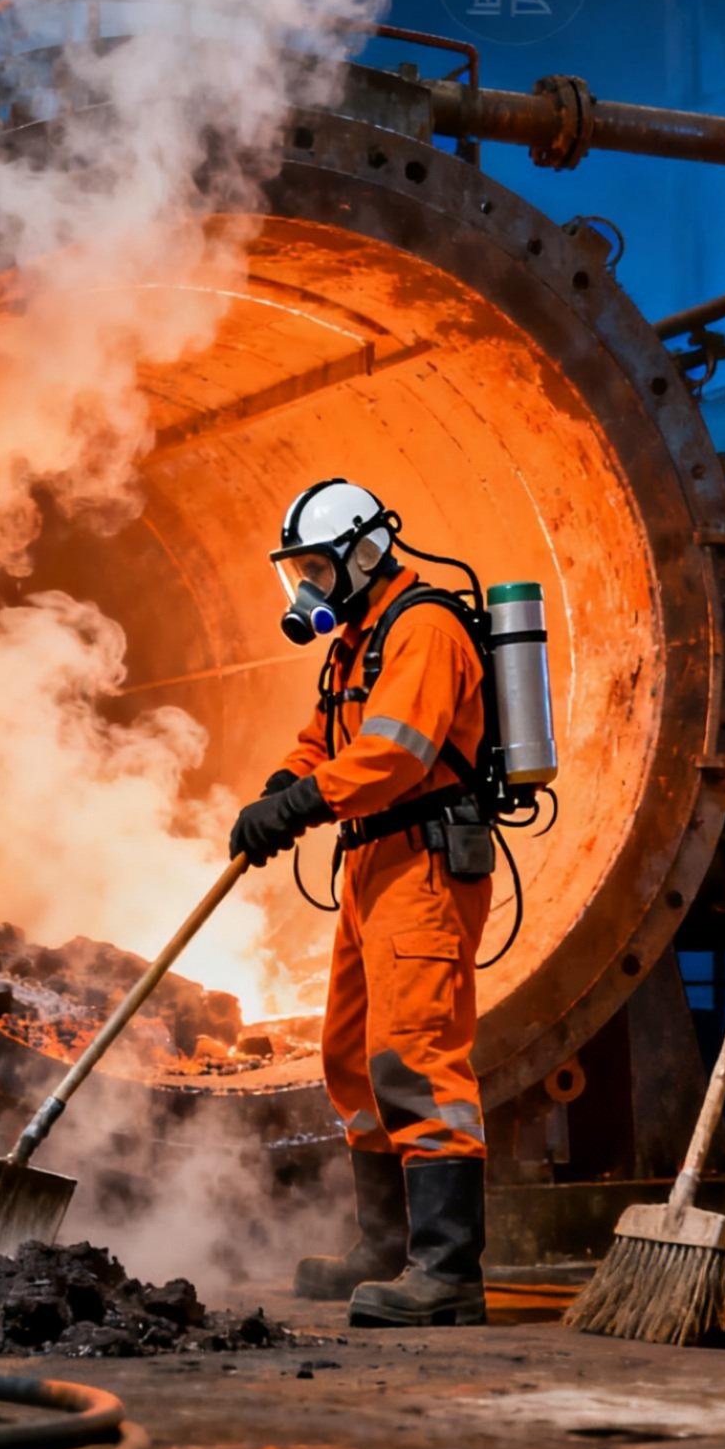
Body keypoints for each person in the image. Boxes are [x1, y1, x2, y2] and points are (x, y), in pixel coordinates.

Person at [228, 478, 492, 1328]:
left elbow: (394, 754)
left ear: (365, 552)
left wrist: (300, 807)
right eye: (297, 570)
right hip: (373, 860)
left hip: (424, 860)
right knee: (350, 1054)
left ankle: (447, 1272)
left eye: (315, 567)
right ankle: (386, 1244)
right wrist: (281, 784)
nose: (305, 585)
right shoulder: (356, 641)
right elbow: (326, 738)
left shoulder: (425, 628)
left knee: (415, 1053)